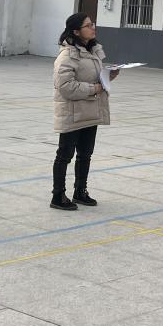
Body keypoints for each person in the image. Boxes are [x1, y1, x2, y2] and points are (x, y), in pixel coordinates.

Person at [52, 13, 119, 210]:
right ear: (76, 31)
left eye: (93, 24)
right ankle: (58, 196)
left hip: (90, 110)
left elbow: (93, 77)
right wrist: (95, 88)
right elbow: (65, 87)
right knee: (65, 155)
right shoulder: (67, 55)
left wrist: (109, 76)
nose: (93, 27)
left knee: (85, 154)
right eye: (88, 25)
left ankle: (80, 191)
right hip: (72, 112)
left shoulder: (93, 50)